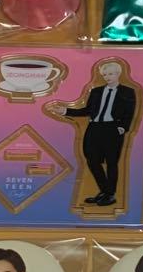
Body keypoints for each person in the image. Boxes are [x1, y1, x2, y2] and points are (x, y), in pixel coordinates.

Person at [48, 59, 137, 208]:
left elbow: (130, 113)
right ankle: (105, 191)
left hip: (112, 129)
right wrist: (65, 111)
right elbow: (87, 111)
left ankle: (110, 195)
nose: (107, 77)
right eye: (105, 74)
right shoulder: (96, 91)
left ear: (118, 74)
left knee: (111, 162)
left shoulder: (127, 92)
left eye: (110, 74)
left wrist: (122, 128)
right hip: (94, 128)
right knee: (92, 160)